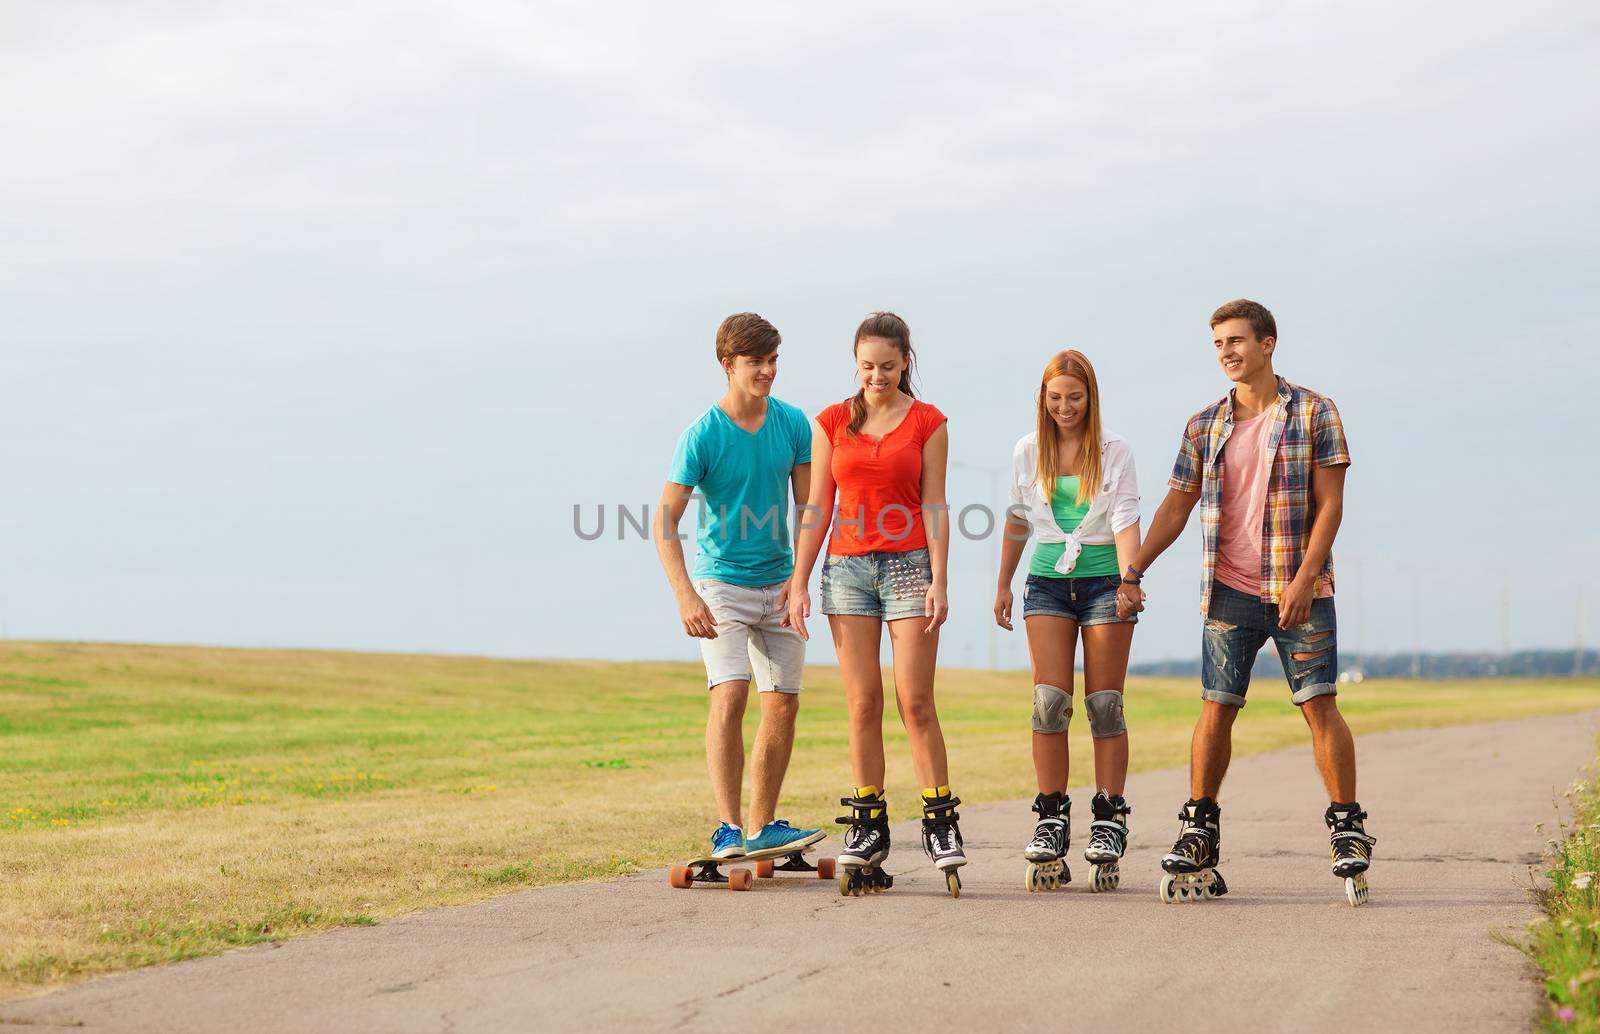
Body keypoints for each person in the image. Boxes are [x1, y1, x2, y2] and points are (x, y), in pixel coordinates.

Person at [1119, 298, 1376, 906]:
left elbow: (1331, 504)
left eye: (1236, 341)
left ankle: (1347, 828)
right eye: (1217, 344)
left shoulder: (1315, 411)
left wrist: (1305, 579)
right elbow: (1176, 507)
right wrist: (1133, 569)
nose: (1226, 352)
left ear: (1268, 344)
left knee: (1319, 706)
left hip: (1300, 588)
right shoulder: (1204, 424)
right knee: (1216, 708)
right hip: (1228, 589)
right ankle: (1199, 828)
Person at [784, 312, 965, 896]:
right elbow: (817, 507)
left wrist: (940, 578)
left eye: (887, 366)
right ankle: (867, 824)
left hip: (912, 567)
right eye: (867, 366)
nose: (877, 376)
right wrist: (798, 582)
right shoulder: (831, 421)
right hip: (847, 572)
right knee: (862, 702)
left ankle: (939, 821)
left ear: (905, 361)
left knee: (915, 701)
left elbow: (935, 504)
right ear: (854, 363)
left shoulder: (929, 422)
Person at [653, 312, 823, 863]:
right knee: (730, 695)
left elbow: (808, 508)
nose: (768, 371)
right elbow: (665, 522)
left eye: (774, 360)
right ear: (728, 365)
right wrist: (686, 595)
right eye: (757, 362)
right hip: (721, 585)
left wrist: (799, 583)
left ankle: (763, 825)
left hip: (778, 585)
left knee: (784, 704)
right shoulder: (702, 436)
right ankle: (727, 828)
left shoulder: (793, 424)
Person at [995, 350, 1142, 893]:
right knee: (1048, 702)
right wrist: (1003, 583)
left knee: (1104, 705)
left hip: (1106, 582)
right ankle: (1052, 817)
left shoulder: (1114, 450)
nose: (1064, 408)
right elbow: (1016, 519)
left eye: (1074, 398)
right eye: (1055, 398)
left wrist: (1131, 577)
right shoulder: (1028, 450)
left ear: (1091, 398)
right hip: (1047, 582)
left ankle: (1107, 818)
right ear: (1043, 399)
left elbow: (1126, 517)